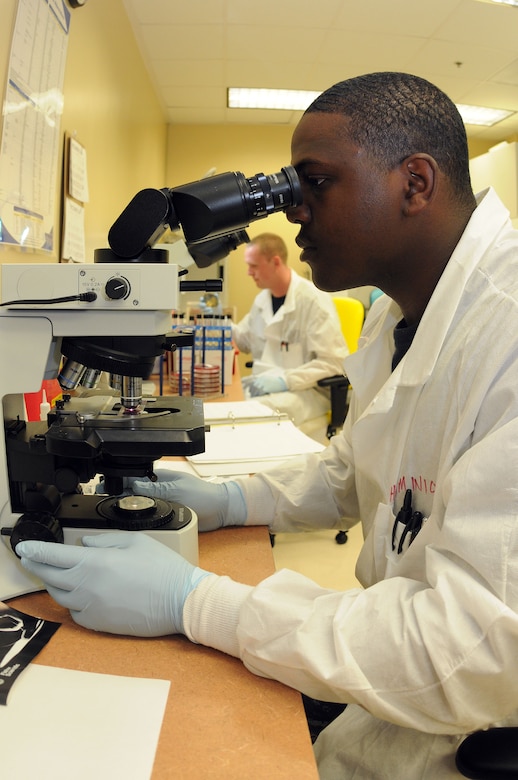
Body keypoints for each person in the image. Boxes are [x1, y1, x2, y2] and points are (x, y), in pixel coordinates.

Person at [15, 72, 518, 779]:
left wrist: (200, 603)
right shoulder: (401, 309)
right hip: (393, 675)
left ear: (415, 184)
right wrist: (232, 501)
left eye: (314, 183)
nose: (294, 213)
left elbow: (468, 651)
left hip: (459, 729)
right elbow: (353, 468)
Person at [233, 232, 348, 425]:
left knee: (250, 415)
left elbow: (334, 363)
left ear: (275, 262)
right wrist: (216, 322)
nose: (249, 272)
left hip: (307, 392)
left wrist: (286, 381)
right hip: (265, 387)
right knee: (228, 402)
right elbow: (244, 340)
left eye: (253, 266)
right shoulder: (262, 300)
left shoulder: (313, 300)